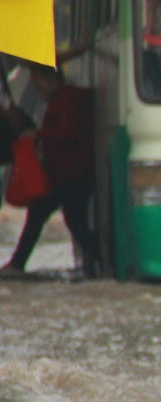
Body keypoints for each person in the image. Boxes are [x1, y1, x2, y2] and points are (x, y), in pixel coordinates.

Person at [4, 65, 101, 277]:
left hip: (72, 175)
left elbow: (68, 133)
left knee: (62, 219)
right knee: (70, 221)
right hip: (66, 174)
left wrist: (38, 135)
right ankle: (102, 258)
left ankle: (17, 264)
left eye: (38, 81)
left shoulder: (67, 100)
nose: (37, 87)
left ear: (50, 79)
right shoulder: (62, 100)